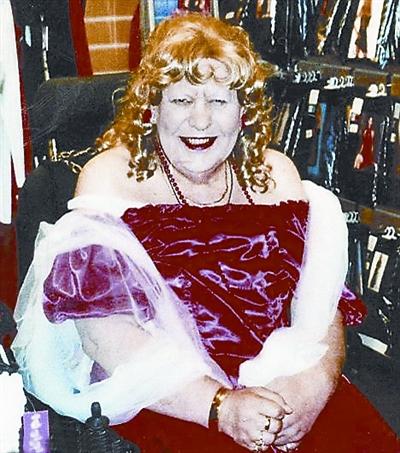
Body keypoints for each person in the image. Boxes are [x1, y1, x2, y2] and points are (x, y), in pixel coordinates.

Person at [12, 12, 399, 453]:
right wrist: (220, 408)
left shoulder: (277, 176)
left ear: (244, 112)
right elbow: (105, 335)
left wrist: (312, 389)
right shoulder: (111, 180)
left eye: (218, 101)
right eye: (181, 100)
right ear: (152, 108)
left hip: (284, 393)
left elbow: (322, 306)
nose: (200, 121)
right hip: (171, 400)